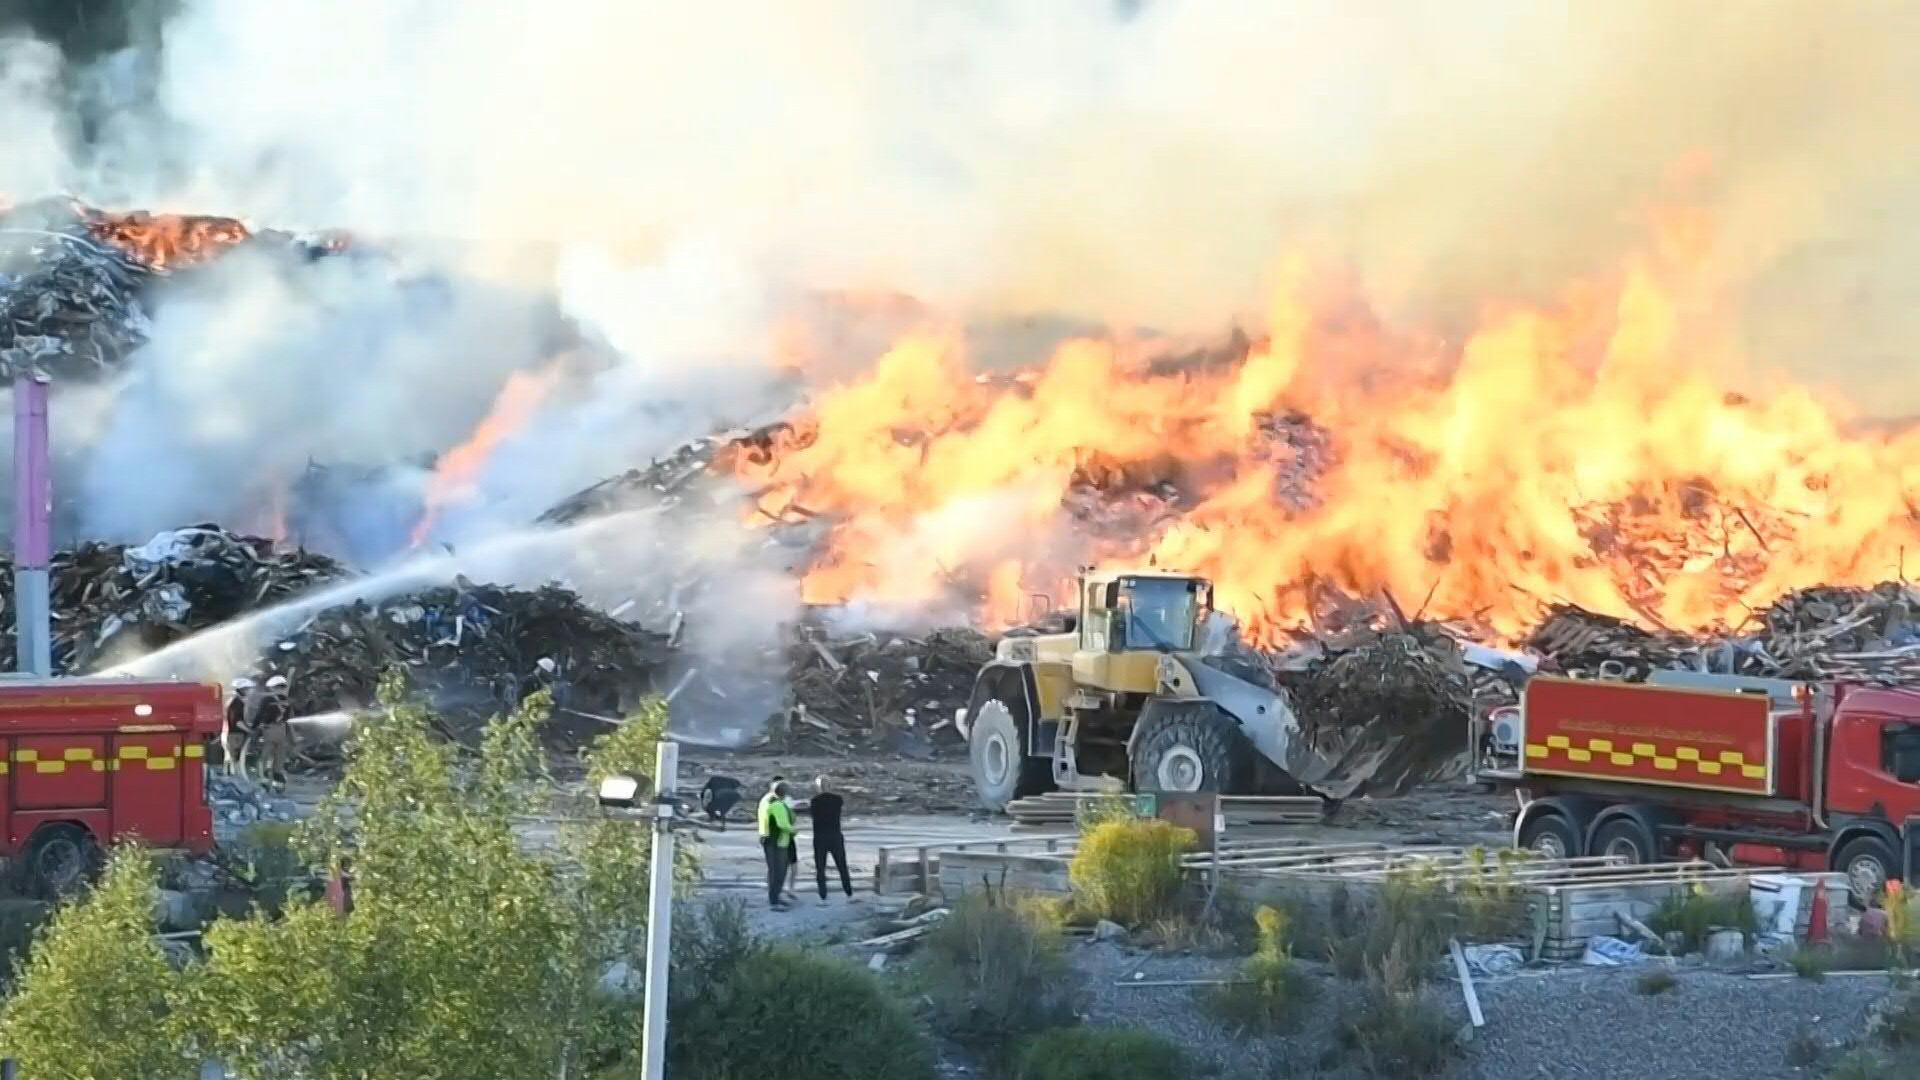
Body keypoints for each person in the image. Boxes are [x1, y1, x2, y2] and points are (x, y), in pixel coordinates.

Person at [809, 774, 854, 903]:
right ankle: (849, 893)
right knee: (842, 866)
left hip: (820, 836)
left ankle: (823, 896)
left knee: (820, 868)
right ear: (830, 785)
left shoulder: (814, 801)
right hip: (835, 835)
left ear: (818, 787)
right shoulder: (838, 799)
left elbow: (814, 815)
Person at [757, 780, 797, 910]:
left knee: (773, 870)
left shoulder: (765, 800)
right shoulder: (778, 805)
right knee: (779, 871)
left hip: (767, 838)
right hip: (778, 841)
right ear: (784, 793)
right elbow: (783, 824)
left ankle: (775, 897)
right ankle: (774, 901)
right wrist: (794, 830)